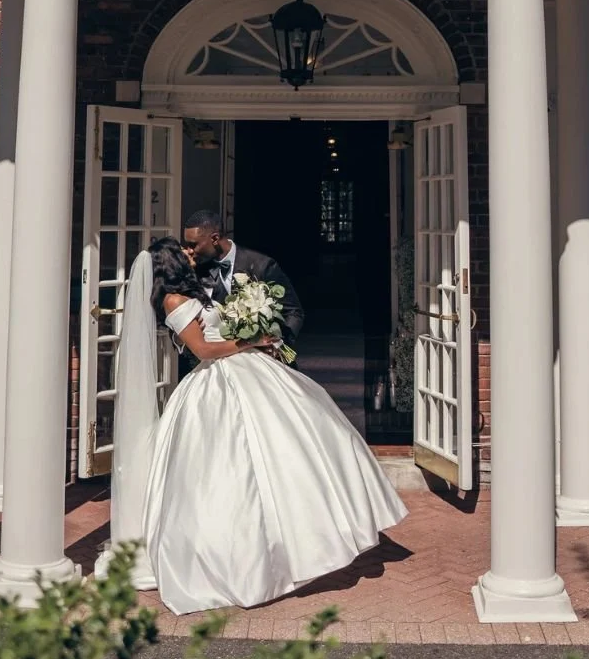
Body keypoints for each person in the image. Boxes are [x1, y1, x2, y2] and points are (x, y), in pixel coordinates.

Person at [101, 236, 405, 615]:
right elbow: (204, 350)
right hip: (217, 382)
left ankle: (311, 533)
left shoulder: (191, 291)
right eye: (183, 253)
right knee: (232, 469)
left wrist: (254, 339)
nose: (190, 254)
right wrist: (251, 342)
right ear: (169, 264)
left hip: (245, 371)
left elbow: (218, 335)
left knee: (300, 439)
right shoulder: (173, 301)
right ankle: (240, 555)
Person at [182, 209, 305, 347]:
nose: (189, 250)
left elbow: (294, 312)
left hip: (260, 356)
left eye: (193, 245)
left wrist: (278, 344)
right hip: (215, 358)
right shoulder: (194, 270)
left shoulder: (262, 265)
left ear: (215, 239)